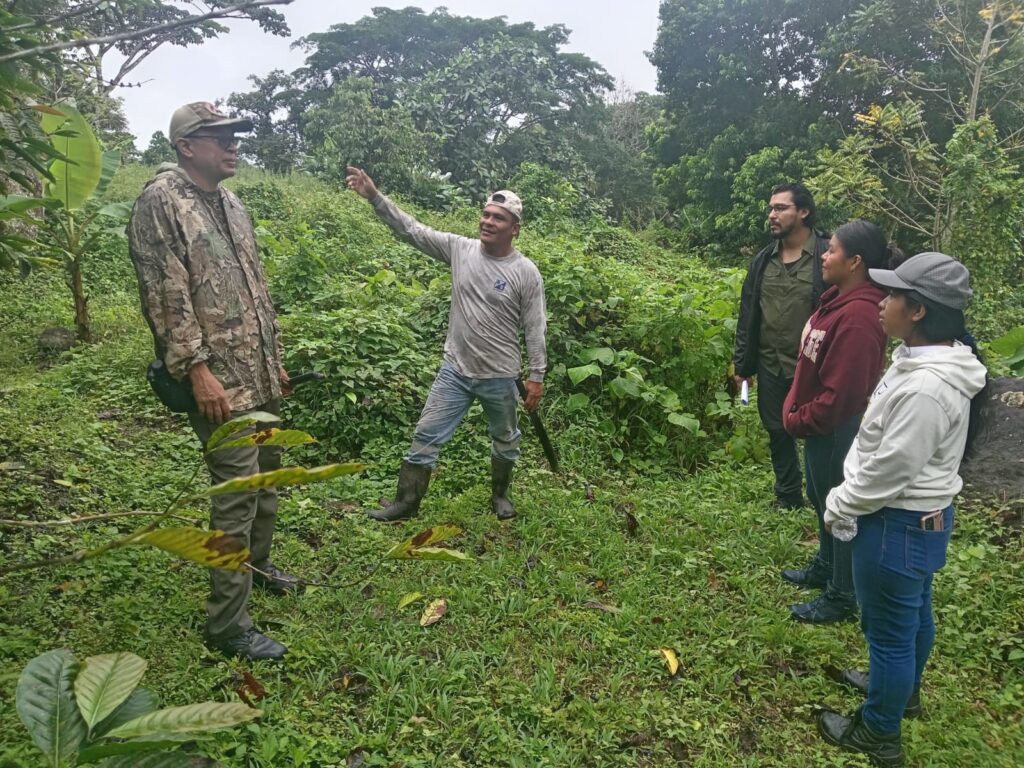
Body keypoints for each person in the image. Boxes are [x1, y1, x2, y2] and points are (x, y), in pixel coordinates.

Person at [128, 102, 297, 662]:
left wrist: (274, 361)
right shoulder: (162, 201)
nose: (232, 145)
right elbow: (166, 296)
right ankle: (227, 625)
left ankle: (259, 565)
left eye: (234, 136)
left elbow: (253, 287)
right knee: (236, 498)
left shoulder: (232, 202)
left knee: (268, 480)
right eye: (219, 137)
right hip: (219, 383)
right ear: (186, 146)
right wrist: (197, 370)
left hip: (257, 373)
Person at [816, 252, 988, 767]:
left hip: (897, 521)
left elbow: (892, 468)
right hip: (919, 520)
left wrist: (840, 502)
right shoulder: (925, 360)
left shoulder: (927, 388)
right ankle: (902, 694)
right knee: (912, 616)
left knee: (889, 632)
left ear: (918, 311)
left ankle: (879, 732)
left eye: (892, 295)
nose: (881, 302)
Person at [345, 166, 547, 522]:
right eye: (486, 214)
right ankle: (406, 504)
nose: (488, 221)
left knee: (505, 437)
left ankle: (500, 494)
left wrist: (537, 377)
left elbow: (535, 327)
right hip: (455, 371)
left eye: (498, 218)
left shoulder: (525, 272)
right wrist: (375, 197)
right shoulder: (459, 249)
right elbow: (412, 230)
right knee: (426, 435)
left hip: (500, 376)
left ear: (515, 228)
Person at [780, 221, 895, 624]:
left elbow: (843, 392)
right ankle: (826, 566)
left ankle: (842, 594)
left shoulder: (861, 315)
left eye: (831, 250)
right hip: (818, 426)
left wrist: (801, 419)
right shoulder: (838, 300)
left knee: (839, 507)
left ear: (855, 261)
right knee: (820, 498)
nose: (824, 256)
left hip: (834, 428)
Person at [734, 183, 830, 510]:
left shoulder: (827, 256)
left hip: (814, 366)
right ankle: (788, 496)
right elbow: (748, 314)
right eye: (770, 209)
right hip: (770, 362)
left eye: (780, 208)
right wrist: (742, 365)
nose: (772, 215)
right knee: (777, 430)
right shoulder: (764, 260)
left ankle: (827, 498)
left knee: (821, 433)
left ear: (803, 212)